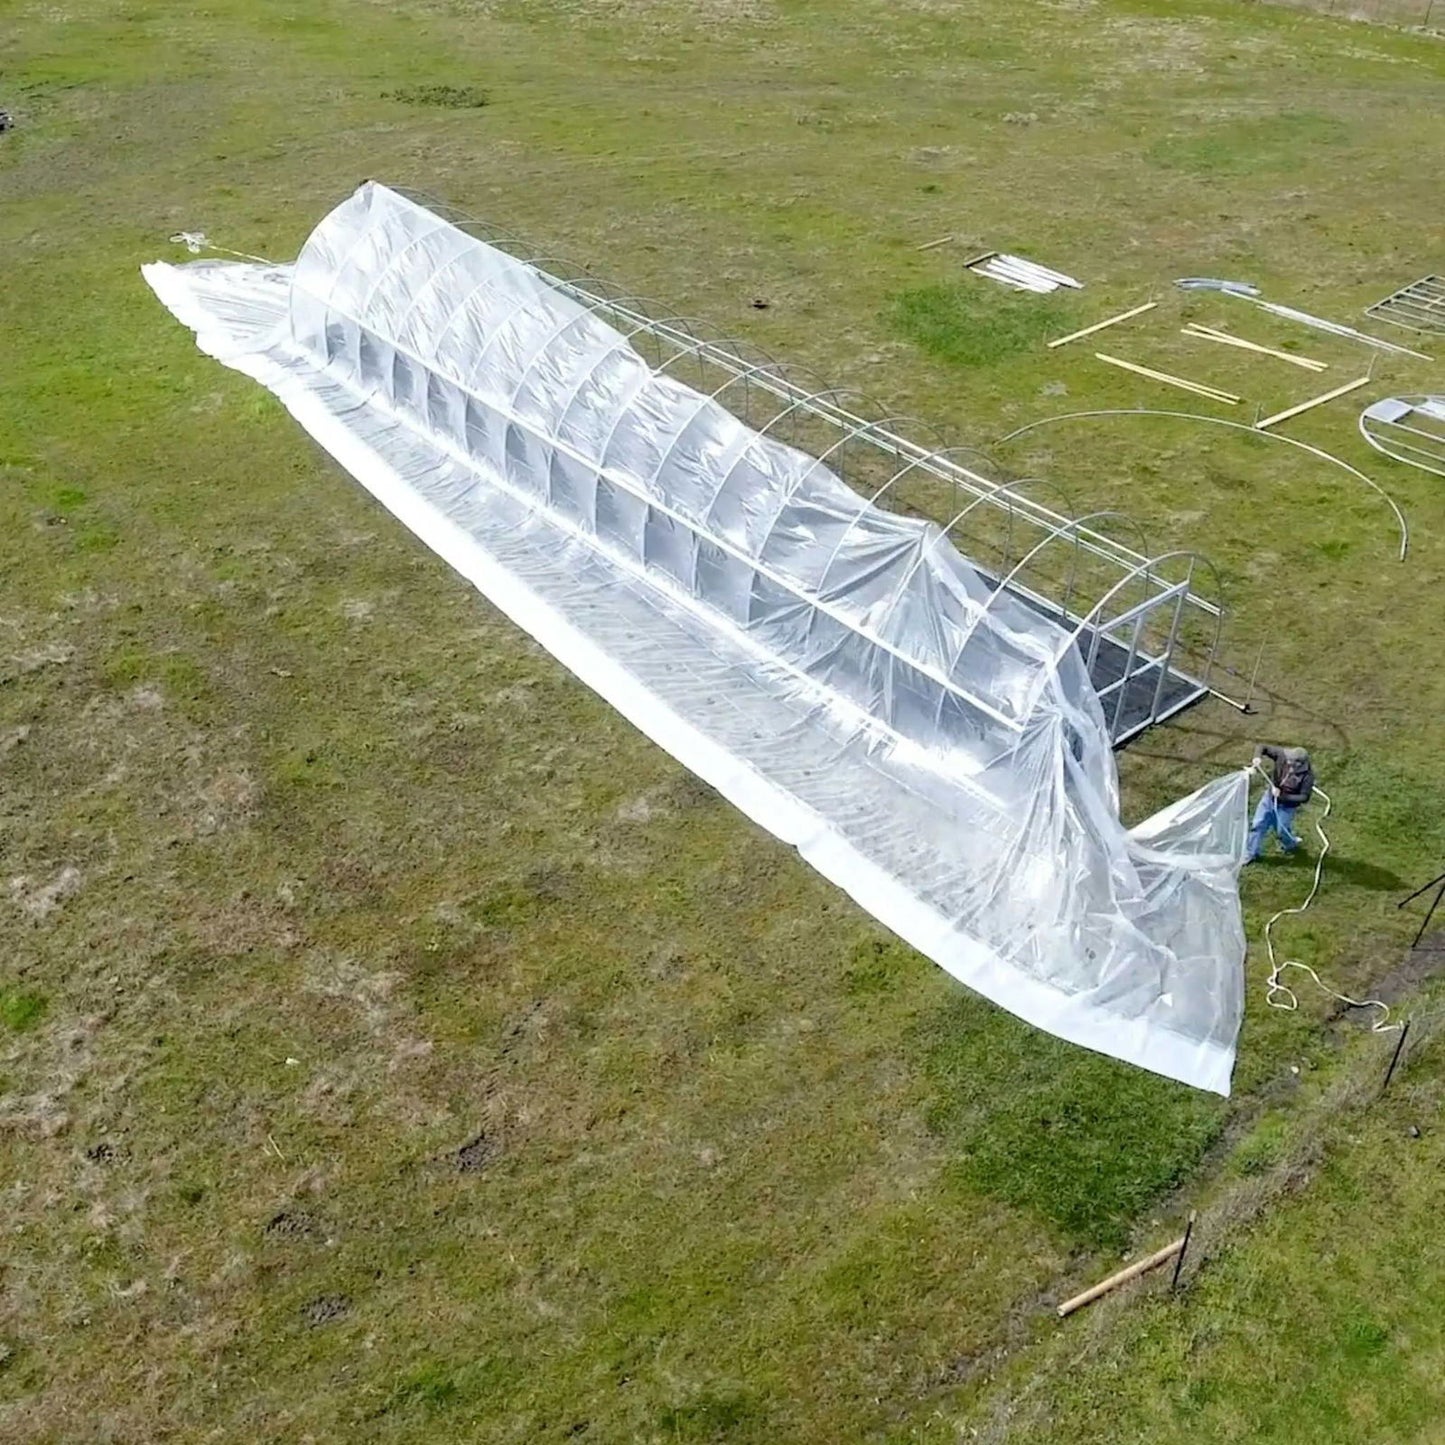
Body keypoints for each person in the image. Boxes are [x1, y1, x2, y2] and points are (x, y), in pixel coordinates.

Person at [1246, 744, 1315, 862]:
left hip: (1286, 807)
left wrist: (1283, 796)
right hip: (1269, 799)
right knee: (1258, 824)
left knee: (1282, 831)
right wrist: (1257, 757)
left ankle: (1290, 845)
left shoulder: (1307, 776)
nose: (1287, 762)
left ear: (1299, 764)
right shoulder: (1282, 755)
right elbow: (1262, 747)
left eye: (1291, 761)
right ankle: (1251, 853)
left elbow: (1304, 797)